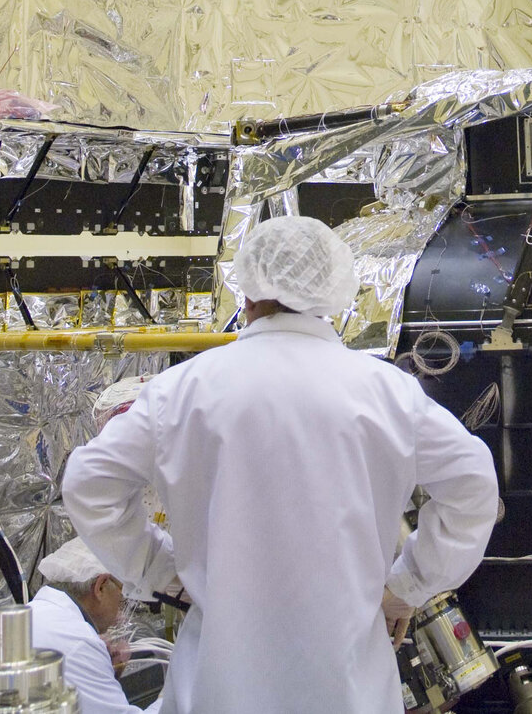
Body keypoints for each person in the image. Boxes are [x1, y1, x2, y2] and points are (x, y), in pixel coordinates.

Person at [63, 215, 500, 714]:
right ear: (336, 296)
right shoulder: (387, 393)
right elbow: (472, 486)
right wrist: (407, 587)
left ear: (246, 294)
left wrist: (158, 568)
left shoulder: (183, 390)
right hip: (348, 689)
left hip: (217, 687)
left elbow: (89, 483)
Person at [0, 539, 151, 714]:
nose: (121, 615)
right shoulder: (76, 641)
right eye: (123, 596)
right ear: (100, 587)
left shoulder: (33, 617)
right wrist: (173, 694)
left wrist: (103, 671)